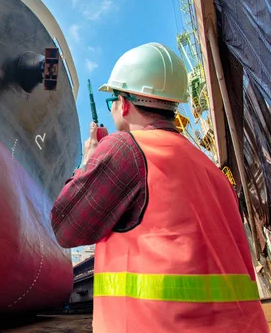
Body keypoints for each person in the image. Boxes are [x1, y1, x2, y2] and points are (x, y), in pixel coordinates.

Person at [50, 43, 268, 332]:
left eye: (112, 100)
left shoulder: (124, 149)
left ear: (124, 104)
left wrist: (89, 160)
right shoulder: (212, 171)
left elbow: (65, 227)